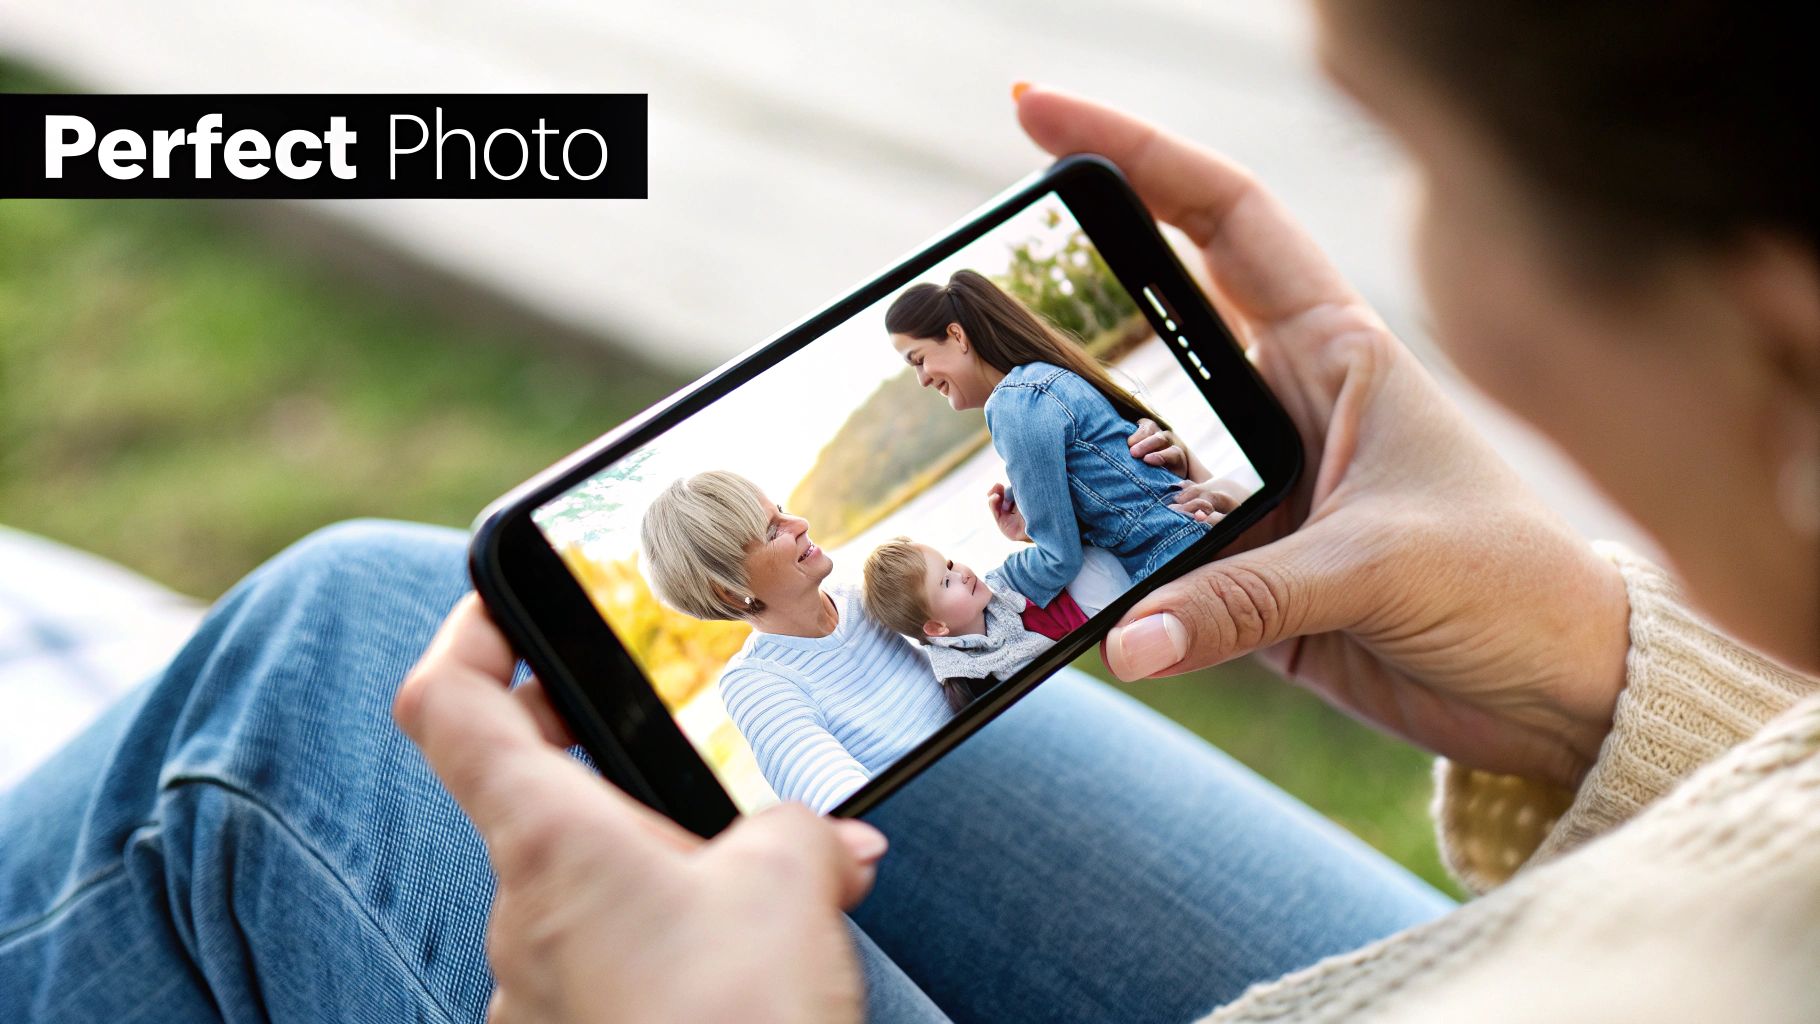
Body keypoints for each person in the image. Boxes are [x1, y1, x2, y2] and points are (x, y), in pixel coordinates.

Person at [5, 1, 1818, 1021]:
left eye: (1419, 161)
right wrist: (1615, 687)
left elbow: (1011, 579)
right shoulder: (831, 645)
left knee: (328, 701)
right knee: (380, 632)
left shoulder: (1018, 422)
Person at [886, 269, 1213, 605]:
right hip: (1189, 538)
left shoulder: (1013, 404)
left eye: (919, 360)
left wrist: (988, 590)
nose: (922, 379)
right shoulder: (1045, 379)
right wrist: (1033, 532)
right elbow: (1114, 505)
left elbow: (1060, 560)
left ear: (957, 335)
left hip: (1171, 560)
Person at [637, 470, 952, 813]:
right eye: (772, 530)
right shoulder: (756, 684)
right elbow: (833, 797)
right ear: (729, 589)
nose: (800, 522)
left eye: (782, 510)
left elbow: (979, 628)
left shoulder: (865, 596)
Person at [861, 537, 1077, 712]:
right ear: (937, 627)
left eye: (949, 565)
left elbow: (1054, 562)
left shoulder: (1005, 590)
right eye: (946, 582)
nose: (961, 574)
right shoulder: (970, 681)